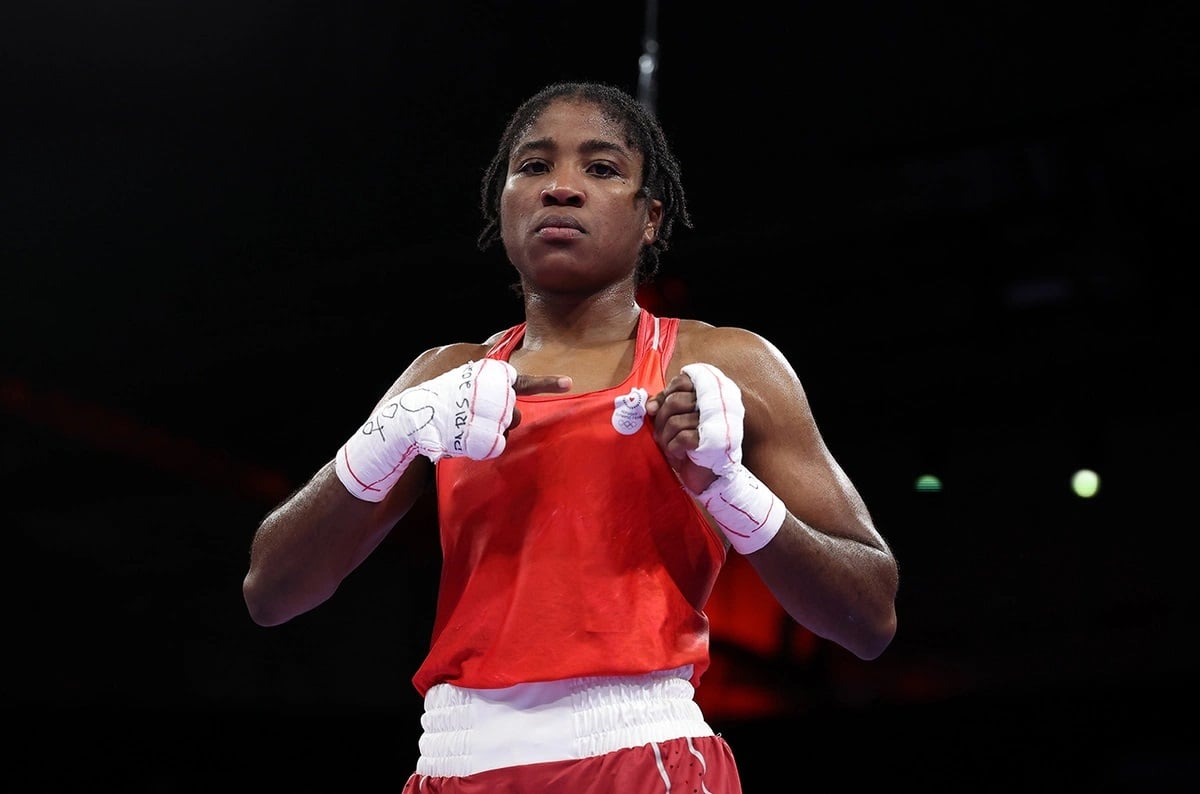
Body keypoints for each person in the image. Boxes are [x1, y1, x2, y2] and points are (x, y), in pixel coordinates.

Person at [243, 80, 899, 793]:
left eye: (601, 167)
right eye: (534, 166)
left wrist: (728, 491)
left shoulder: (722, 364)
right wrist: (391, 436)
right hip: (450, 767)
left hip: (638, 757)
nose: (561, 187)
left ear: (651, 218)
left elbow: (870, 618)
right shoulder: (445, 379)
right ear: (504, 204)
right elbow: (271, 594)